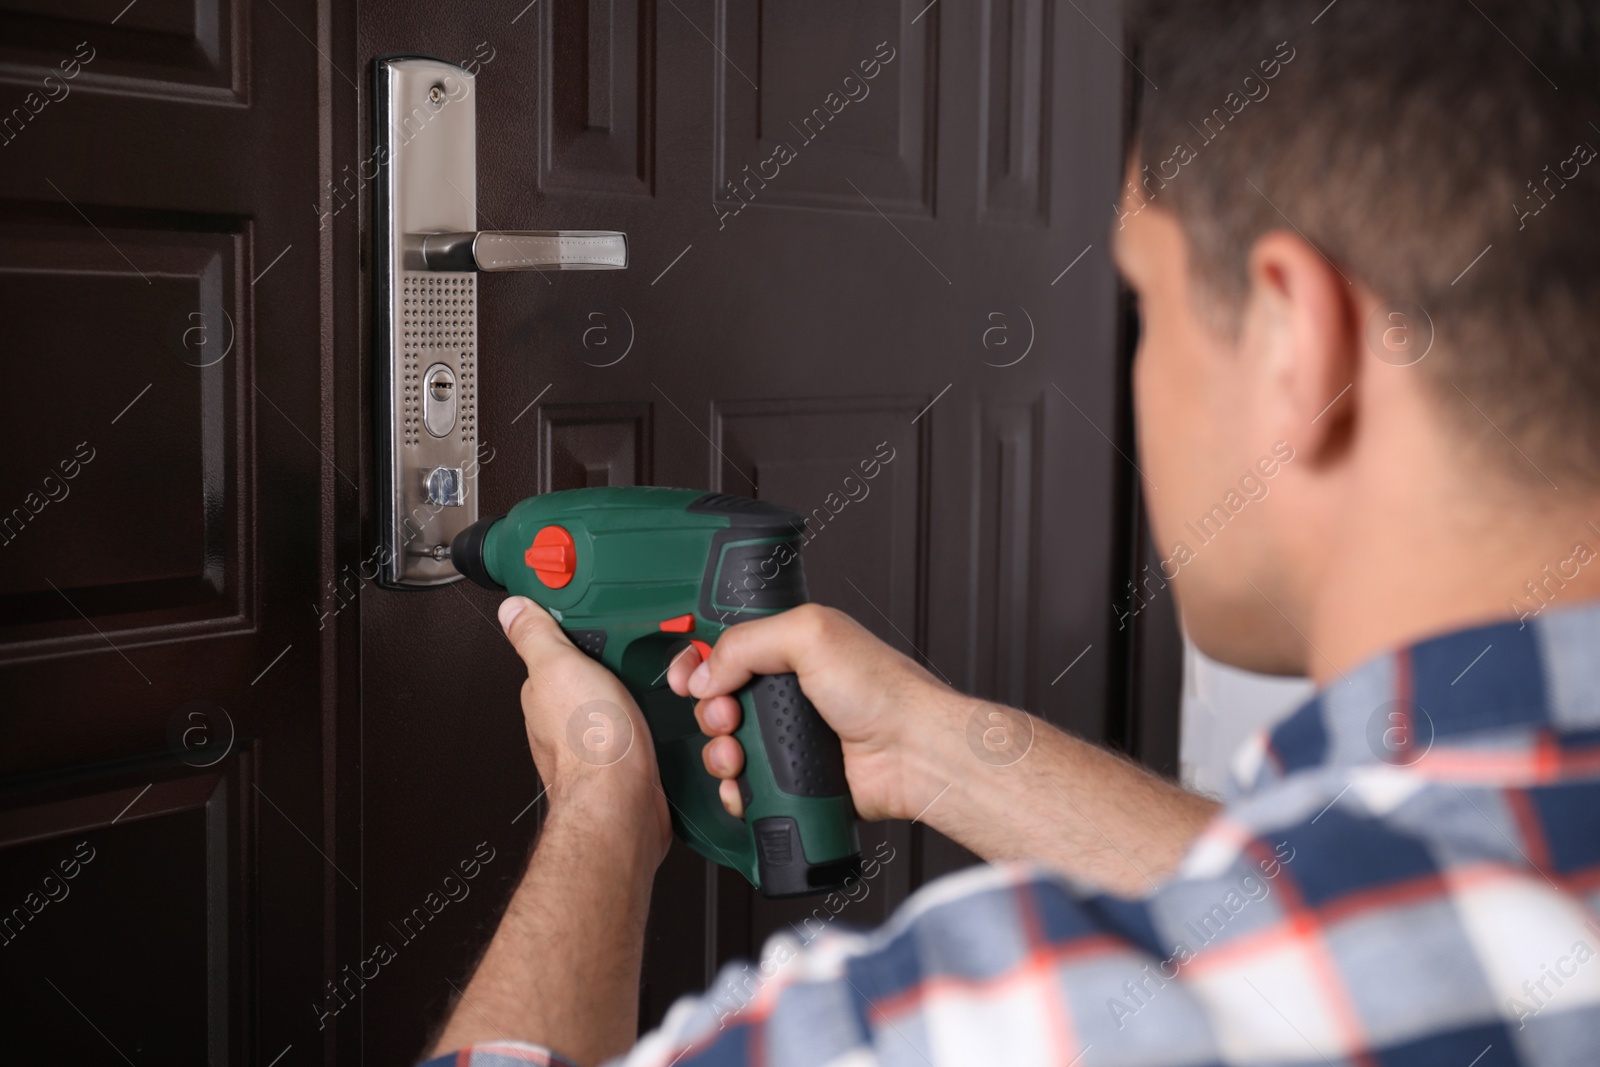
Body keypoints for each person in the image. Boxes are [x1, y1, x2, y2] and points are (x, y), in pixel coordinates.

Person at [422, 1, 1600, 1063]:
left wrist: (601, 801)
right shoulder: (1493, 867)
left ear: (1301, 345)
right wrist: (940, 747)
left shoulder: (1004, 1024)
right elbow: (1350, 904)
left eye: (1143, 300)